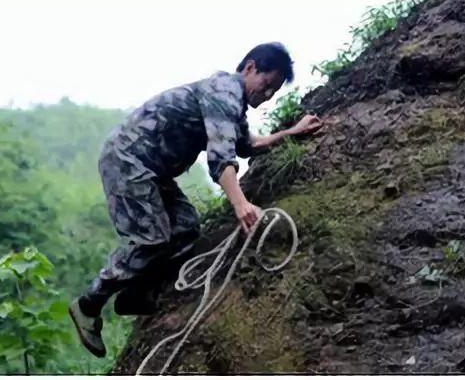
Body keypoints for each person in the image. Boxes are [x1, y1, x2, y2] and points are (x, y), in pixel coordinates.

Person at [69, 42, 324, 357]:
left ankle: (134, 294)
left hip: (151, 170)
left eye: (273, 91)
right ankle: (88, 305)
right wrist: (241, 204)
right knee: (152, 238)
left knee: (186, 228)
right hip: (128, 159)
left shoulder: (231, 102)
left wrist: (290, 133)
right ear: (250, 68)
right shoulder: (224, 93)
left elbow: (245, 145)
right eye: (266, 84)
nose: (267, 94)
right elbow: (221, 158)